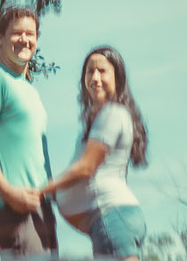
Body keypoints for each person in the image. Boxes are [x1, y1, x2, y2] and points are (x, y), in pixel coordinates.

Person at [0, 4, 58, 256]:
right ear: (0, 38)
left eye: (30, 34)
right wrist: (9, 193)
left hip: (41, 209)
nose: (24, 39)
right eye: (17, 33)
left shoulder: (29, 90)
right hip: (14, 209)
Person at [45, 46, 148, 260]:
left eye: (102, 71)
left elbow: (86, 168)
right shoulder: (102, 118)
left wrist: (39, 191)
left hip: (111, 218)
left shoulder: (112, 113)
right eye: (90, 71)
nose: (95, 78)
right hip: (113, 220)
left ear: (117, 78)